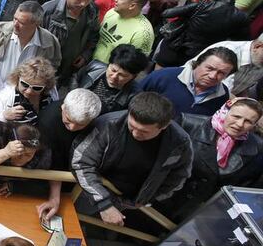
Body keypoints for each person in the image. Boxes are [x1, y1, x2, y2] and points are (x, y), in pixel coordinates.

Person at [71, 92, 193, 226]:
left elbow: (178, 177)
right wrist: (103, 203)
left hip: (132, 201)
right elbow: (81, 162)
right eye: (132, 126)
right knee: (75, 218)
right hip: (95, 188)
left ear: (164, 126)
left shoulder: (180, 142)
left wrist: (148, 199)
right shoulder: (109, 124)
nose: (135, 134)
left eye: (144, 132)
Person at [167, 98, 263, 221]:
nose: (240, 124)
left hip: (197, 214)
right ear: (224, 111)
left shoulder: (257, 148)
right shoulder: (188, 123)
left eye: (248, 121)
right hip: (165, 198)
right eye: (236, 116)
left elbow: (246, 188)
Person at [36, 89, 103, 222]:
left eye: (80, 124)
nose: (72, 127)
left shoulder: (101, 120)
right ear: (63, 108)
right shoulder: (48, 121)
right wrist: (55, 197)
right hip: (56, 171)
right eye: (68, 121)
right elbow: (54, 161)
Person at [156, 0, 249, 67]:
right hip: (200, 55)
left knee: (156, 77)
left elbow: (167, 13)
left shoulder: (202, 5)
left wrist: (189, 10)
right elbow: (241, 39)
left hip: (176, 47)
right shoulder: (241, 17)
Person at [141, 47, 237, 118]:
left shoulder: (222, 96)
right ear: (198, 63)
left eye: (221, 73)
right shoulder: (163, 77)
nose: (213, 76)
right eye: (209, 68)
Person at [42, 0, 100, 81]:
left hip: (70, 70)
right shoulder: (48, 10)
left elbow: (94, 36)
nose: (84, 3)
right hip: (46, 69)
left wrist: (85, 55)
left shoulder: (92, 10)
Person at [76, 44, 148, 115]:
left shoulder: (134, 97)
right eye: (113, 70)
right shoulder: (95, 67)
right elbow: (75, 78)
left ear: (133, 77)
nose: (114, 76)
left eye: (122, 75)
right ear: (109, 64)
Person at [0, 57, 58, 126]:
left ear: (46, 86)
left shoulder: (50, 95)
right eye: (24, 84)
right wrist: (4, 116)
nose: (29, 91)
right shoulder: (6, 95)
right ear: (18, 78)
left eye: (36, 88)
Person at [92, 0, 154, 64]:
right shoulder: (112, 12)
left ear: (132, 6)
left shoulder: (143, 33)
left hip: (111, 73)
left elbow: (135, 65)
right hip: (90, 63)